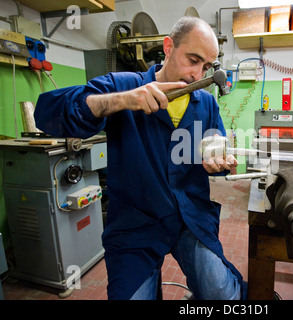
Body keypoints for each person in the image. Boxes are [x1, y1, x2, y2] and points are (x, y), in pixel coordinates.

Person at [34, 16, 245, 300]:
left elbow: (215, 145)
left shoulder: (205, 102)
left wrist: (217, 160)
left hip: (190, 218)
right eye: (192, 60)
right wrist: (122, 100)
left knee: (221, 294)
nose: (198, 75)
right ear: (168, 47)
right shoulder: (125, 85)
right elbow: (47, 113)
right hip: (136, 223)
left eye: (206, 66)